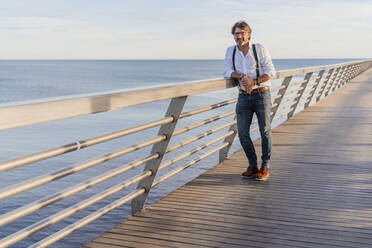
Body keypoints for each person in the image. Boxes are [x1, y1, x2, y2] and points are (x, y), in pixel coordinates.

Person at [223, 21, 276, 181]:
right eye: (236, 34)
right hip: (243, 96)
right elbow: (226, 70)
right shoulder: (231, 51)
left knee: (265, 131)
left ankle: (265, 166)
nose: (239, 36)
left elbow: (270, 71)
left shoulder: (259, 49)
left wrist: (255, 81)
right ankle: (253, 165)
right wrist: (241, 76)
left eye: (242, 33)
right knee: (243, 132)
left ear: (249, 34)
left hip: (261, 94)